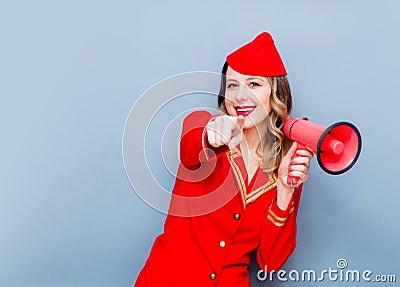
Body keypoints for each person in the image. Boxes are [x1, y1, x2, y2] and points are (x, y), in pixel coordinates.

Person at [134, 32, 314, 287]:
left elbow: (270, 263)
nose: (240, 96)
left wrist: (285, 193)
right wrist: (212, 133)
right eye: (232, 85)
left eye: (254, 84)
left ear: (276, 95)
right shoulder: (200, 125)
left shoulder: (284, 170)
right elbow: (192, 139)